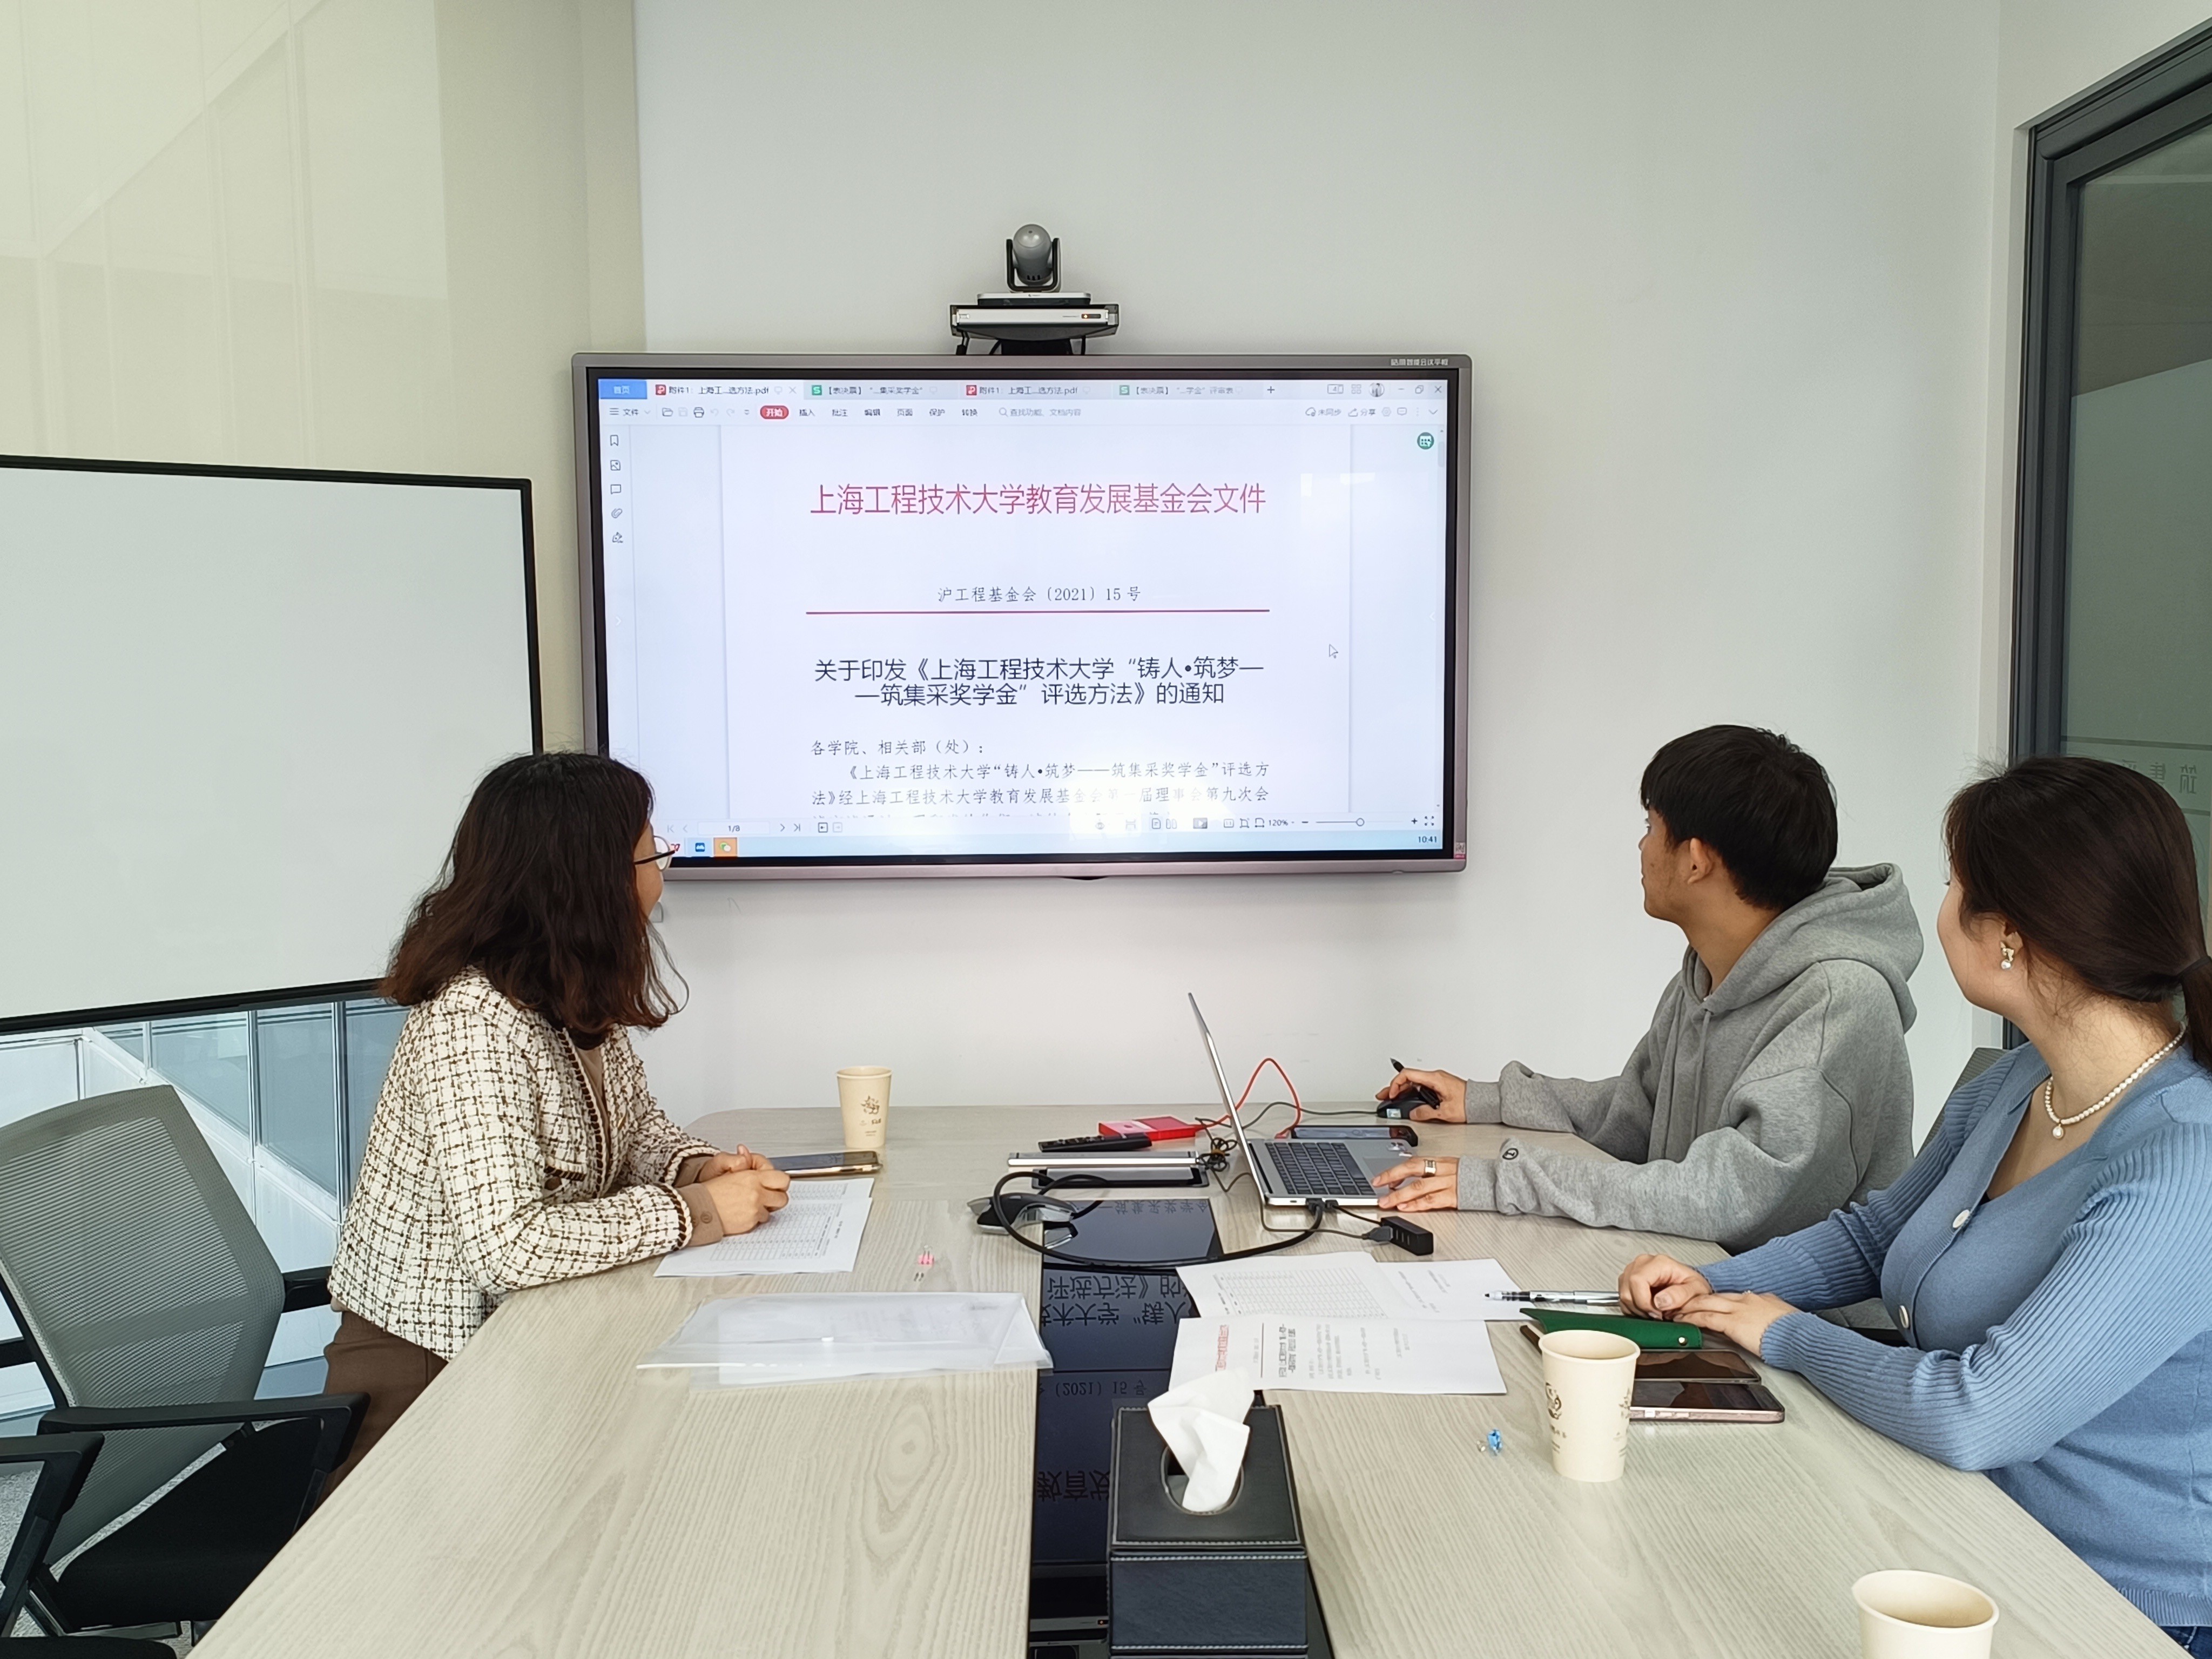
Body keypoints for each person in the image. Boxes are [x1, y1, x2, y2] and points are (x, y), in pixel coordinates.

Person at [1620, 756, 2212, 1644]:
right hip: (1959, 1532)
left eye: (1953, 884)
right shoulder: (2019, 1080)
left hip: (2111, 1608)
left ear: (2008, 934)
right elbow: (1878, 1238)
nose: (1939, 909)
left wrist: (1784, 1331)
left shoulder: (2184, 1155)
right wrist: (1714, 1285)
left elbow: (1978, 1412)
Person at [323, 752, 790, 1485]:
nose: (660, 877)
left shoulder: (566, 987)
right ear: (592, 879)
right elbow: (507, 1247)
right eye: (651, 856)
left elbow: (636, 1132)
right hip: (431, 1365)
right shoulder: (472, 1020)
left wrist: (701, 1168)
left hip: (534, 1331)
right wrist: (699, 1212)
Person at [1373, 725, 1920, 1251]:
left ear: (1696, 860)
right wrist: (1483, 1099)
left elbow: (1728, 1195)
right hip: (1689, 1272)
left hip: (1791, 1309)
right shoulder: (1706, 973)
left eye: (1652, 826)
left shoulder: (1838, 1002)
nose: (1642, 845)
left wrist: (1505, 1182)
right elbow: (1637, 1113)